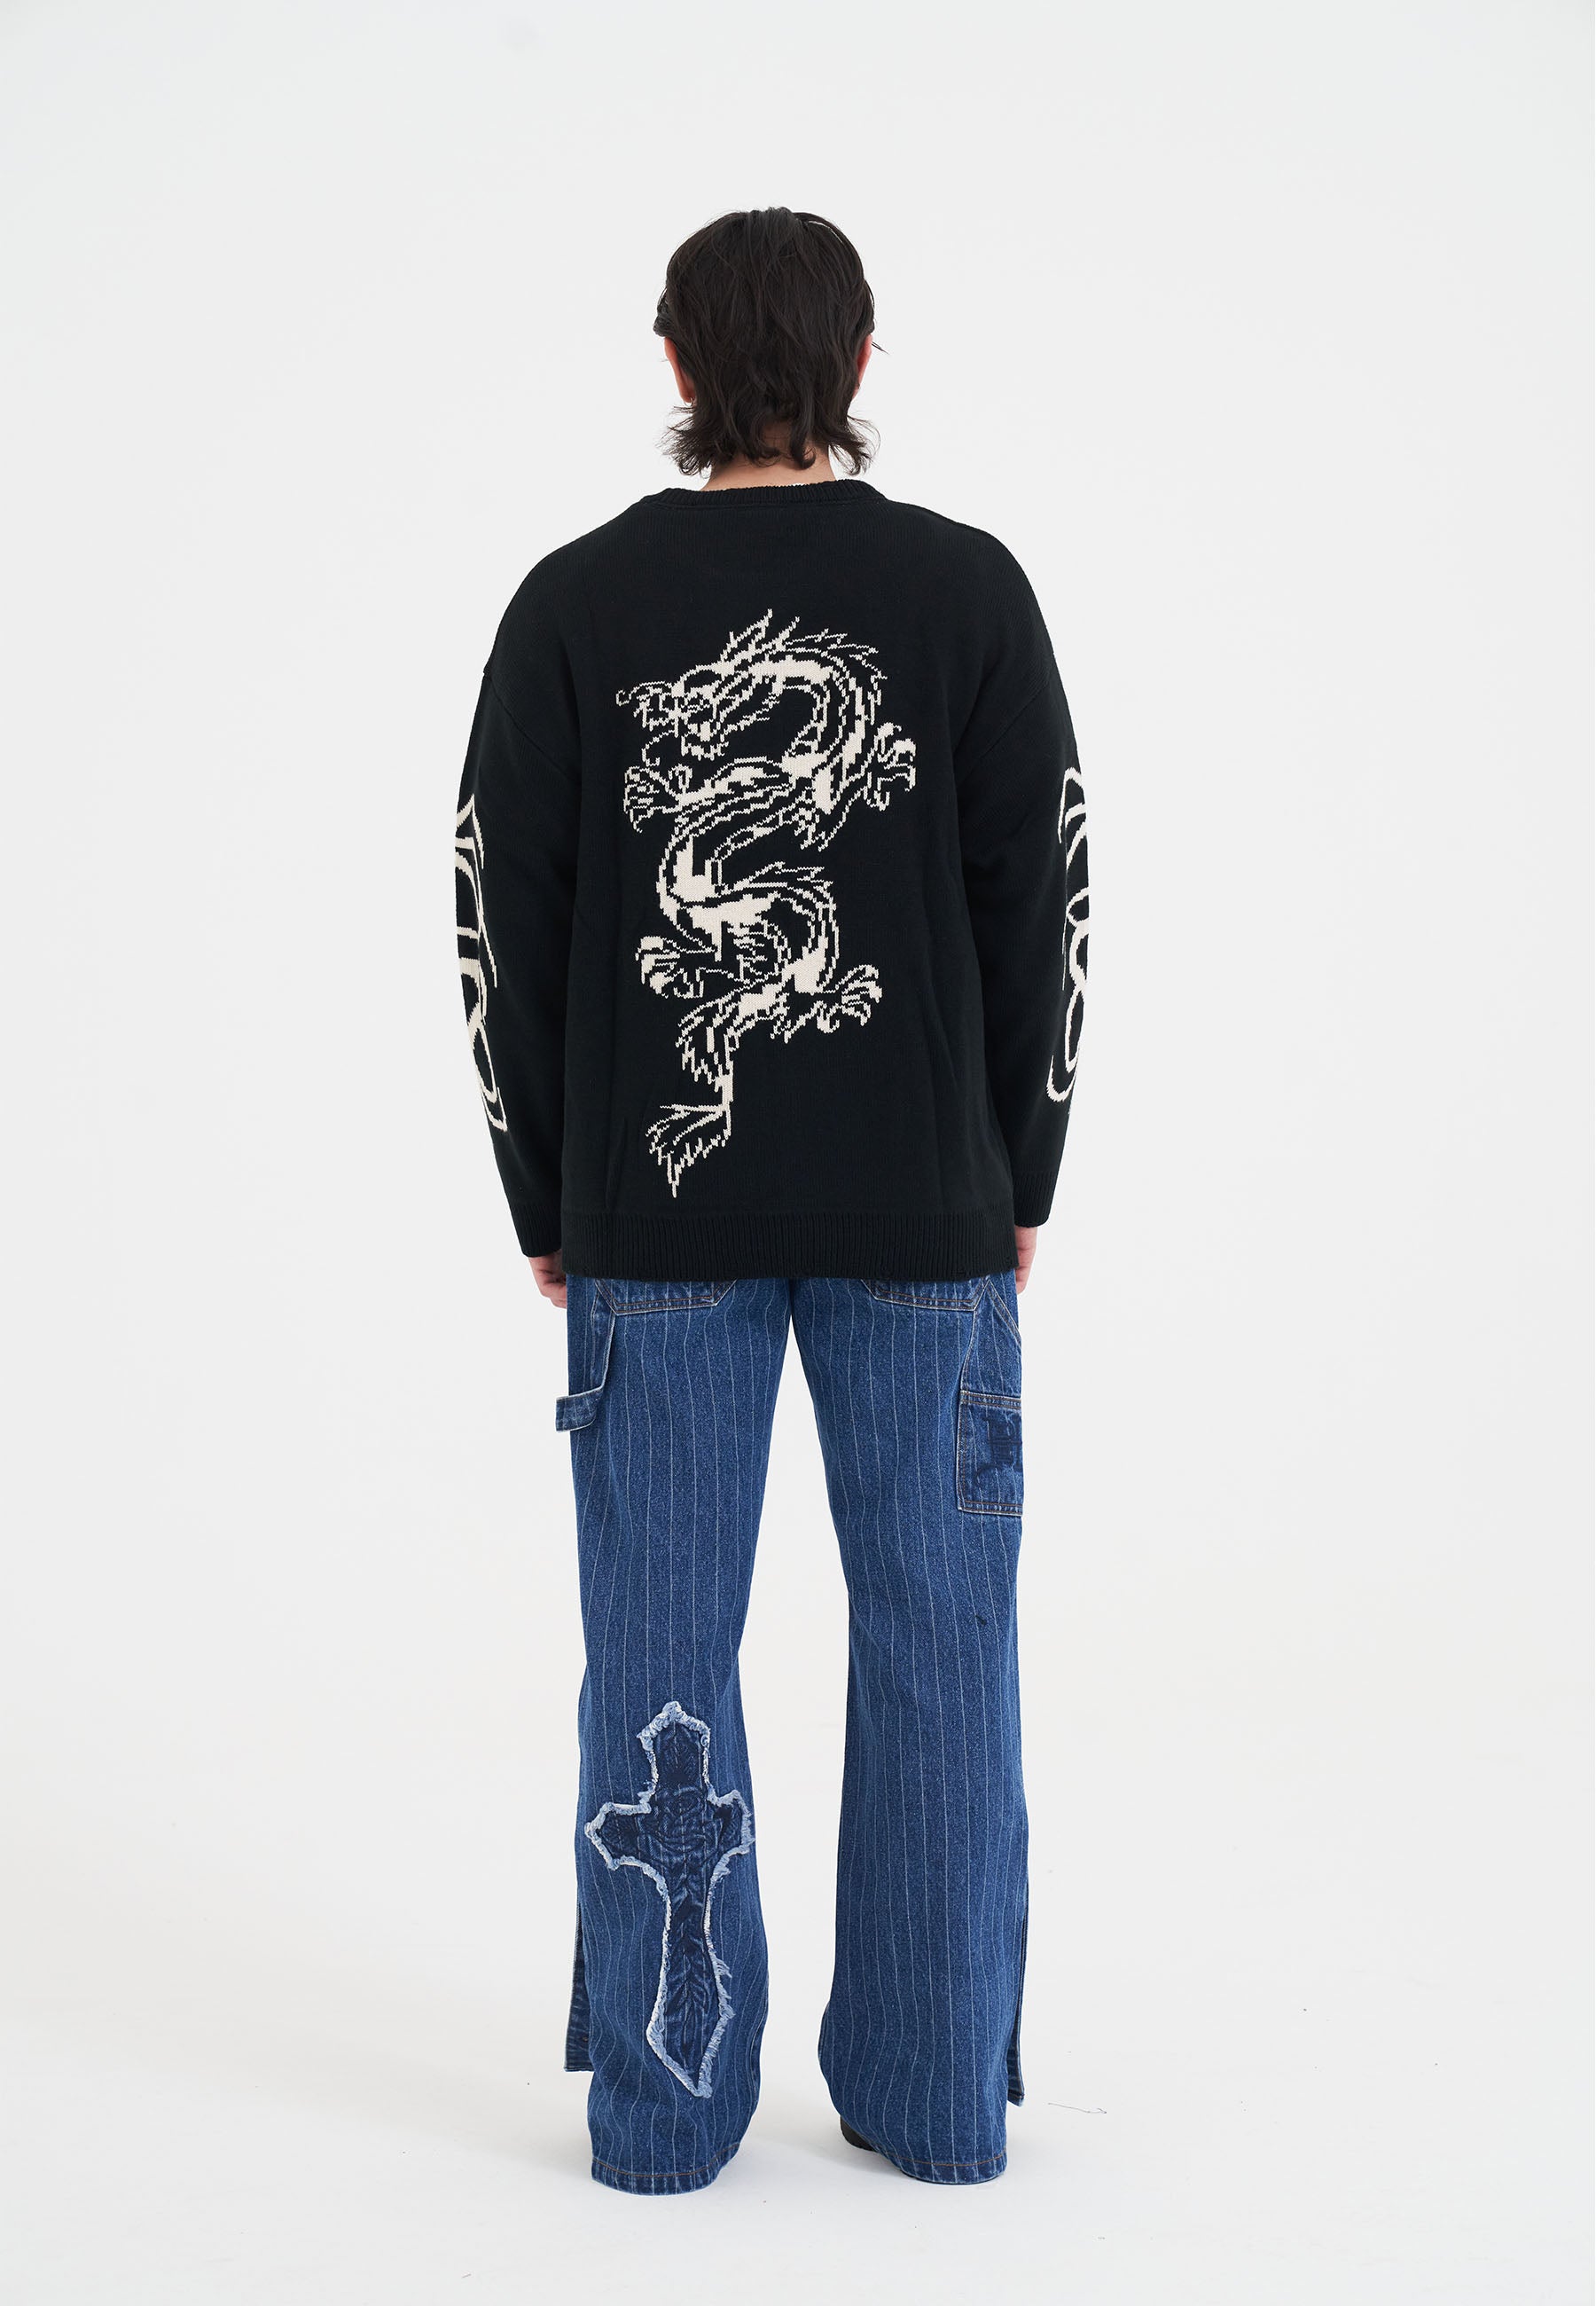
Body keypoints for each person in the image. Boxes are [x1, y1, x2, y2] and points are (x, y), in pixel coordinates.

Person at [454, 207, 1089, 2196]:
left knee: (656, 1646)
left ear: (673, 365)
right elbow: (1044, 897)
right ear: (862, 362)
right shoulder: (967, 590)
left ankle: (667, 2114)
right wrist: (1020, 1165)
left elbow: (500, 915)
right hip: (925, 1211)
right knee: (942, 1645)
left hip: (656, 1216)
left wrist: (545, 1186)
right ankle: (932, 2096)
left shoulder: (575, 604)